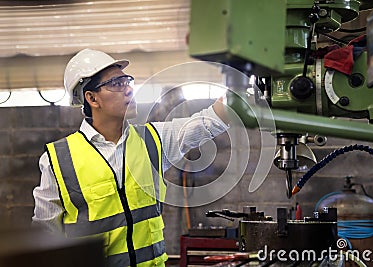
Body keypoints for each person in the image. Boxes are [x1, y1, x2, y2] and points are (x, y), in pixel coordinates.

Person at [32, 48, 229, 267]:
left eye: (128, 81)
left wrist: (245, 84)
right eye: (117, 84)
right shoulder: (57, 160)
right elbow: (44, 236)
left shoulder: (154, 140)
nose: (128, 90)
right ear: (92, 98)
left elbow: (207, 122)